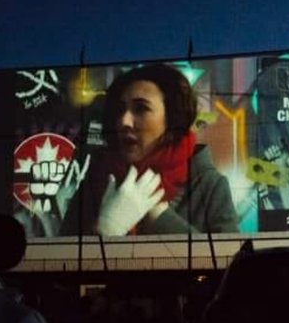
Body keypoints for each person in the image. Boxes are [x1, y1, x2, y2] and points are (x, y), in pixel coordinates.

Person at [60, 64, 237, 236]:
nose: (124, 121)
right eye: (120, 109)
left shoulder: (208, 186)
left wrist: (158, 214)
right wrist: (106, 229)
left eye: (141, 109)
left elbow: (228, 261)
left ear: (173, 119)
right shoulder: (94, 183)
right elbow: (59, 262)